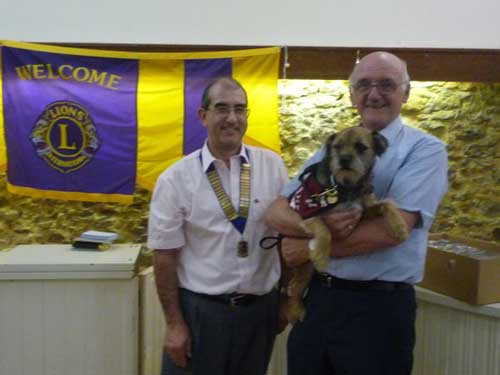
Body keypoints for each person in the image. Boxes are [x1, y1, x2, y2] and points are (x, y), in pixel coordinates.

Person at [265, 52, 448, 375]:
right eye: (363, 85)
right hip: (319, 299)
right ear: (352, 95)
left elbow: (394, 230)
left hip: (377, 308)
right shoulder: (333, 146)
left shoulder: (424, 150)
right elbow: (277, 210)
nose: (374, 94)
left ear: (405, 93)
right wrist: (312, 232)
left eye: (386, 85)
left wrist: (308, 248)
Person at [147, 77, 289, 375]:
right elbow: (164, 257)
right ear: (203, 115)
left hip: (260, 310)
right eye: (222, 109)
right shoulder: (175, 179)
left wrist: (286, 298)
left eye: (240, 109)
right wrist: (174, 324)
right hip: (201, 313)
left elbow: (286, 236)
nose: (232, 118)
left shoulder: (272, 166)